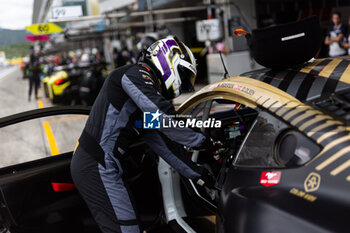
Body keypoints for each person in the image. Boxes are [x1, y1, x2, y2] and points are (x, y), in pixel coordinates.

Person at [71, 36, 218, 233]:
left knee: (132, 226)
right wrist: (203, 140)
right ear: (169, 60)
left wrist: (200, 174)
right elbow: (164, 115)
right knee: (127, 229)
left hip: (105, 166)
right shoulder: (133, 74)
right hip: (97, 165)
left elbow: (164, 144)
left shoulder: (141, 101)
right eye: (183, 75)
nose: (182, 85)